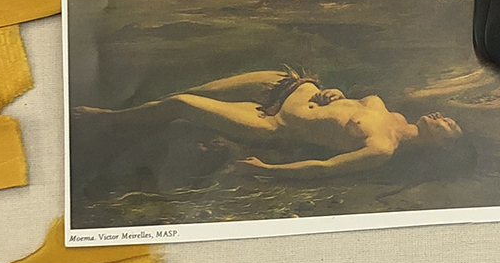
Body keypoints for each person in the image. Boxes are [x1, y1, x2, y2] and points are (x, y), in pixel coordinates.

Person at [75, 68, 477, 183]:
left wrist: (267, 170)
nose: (442, 117)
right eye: (447, 117)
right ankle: (121, 117)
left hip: (271, 121)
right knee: (193, 89)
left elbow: (323, 168)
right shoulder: (392, 114)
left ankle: (109, 119)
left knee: (181, 104)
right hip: (287, 85)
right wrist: (334, 92)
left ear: (442, 146)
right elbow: (343, 100)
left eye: (448, 125)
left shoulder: (382, 149)